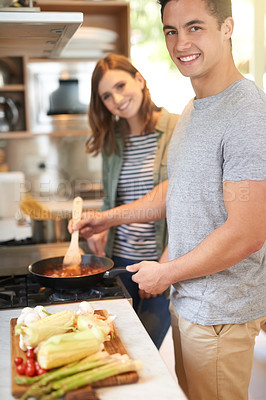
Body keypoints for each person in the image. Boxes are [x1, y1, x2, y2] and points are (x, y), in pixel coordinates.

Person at [69, 1, 266, 399]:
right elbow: (180, 197)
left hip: (219, 316)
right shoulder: (194, 109)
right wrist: (112, 223)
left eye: (195, 28)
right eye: (171, 31)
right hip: (189, 303)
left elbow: (248, 231)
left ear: (227, 26)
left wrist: (168, 272)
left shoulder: (247, 113)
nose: (180, 43)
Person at [84, 53, 179, 349]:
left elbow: (185, 204)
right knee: (115, 347)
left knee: (144, 349)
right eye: (107, 96)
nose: (117, 99)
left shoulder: (177, 128)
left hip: (160, 260)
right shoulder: (112, 138)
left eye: (121, 86)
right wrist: (99, 227)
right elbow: (114, 200)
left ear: (139, 79)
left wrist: (163, 267)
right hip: (119, 263)